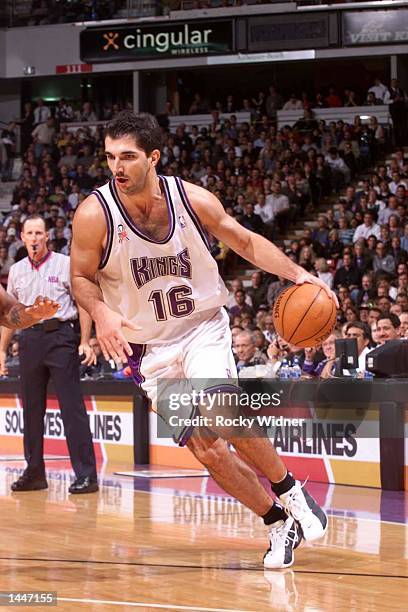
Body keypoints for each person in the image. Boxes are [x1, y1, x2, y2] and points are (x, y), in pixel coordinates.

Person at [70, 111, 338, 569]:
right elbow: (79, 276)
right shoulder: (95, 214)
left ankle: (291, 490)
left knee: (219, 406)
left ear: (153, 157)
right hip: (147, 349)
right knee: (207, 449)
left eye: (128, 156)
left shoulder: (190, 199)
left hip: (200, 326)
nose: (117, 166)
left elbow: (245, 241)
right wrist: (100, 313)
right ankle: (277, 522)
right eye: (111, 156)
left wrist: (298, 275)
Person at [0, 215, 98, 494]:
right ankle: (34, 474)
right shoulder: (16, 270)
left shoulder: (65, 264)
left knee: (72, 408)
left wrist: (85, 341)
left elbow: (83, 303)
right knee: (31, 411)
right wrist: (2, 351)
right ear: (22, 237)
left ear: (47, 236)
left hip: (60, 337)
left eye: (39, 233)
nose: (34, 238)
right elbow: (10, 314)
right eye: (29, 233)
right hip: (29, 339)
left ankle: (86, 475)